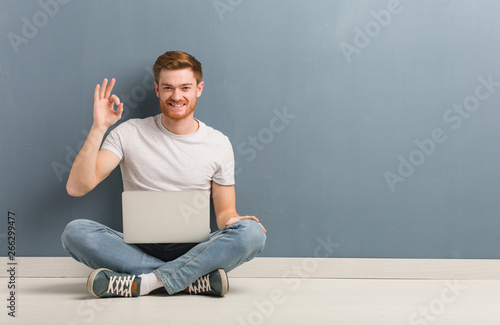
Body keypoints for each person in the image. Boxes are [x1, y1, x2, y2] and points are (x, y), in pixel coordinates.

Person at [61, 51, 267, 298]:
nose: (176, 96)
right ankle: (190, 281)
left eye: (185, 88)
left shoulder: (218, 143)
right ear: (157, 90)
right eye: (168, 87)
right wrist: (99, 128)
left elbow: (225, 213)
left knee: (252, 233)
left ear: (199, 89)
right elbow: (77, 187)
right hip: (136, 247)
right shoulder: (128, 133)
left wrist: (236, 222)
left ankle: (145, 282)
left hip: (196, 249)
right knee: (75, 233)